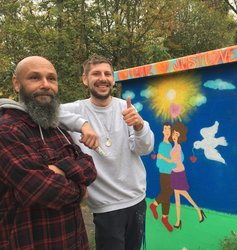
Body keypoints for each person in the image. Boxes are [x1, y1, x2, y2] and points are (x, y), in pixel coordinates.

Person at [0, 56, 97, 249]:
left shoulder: (56, 127)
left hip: (74, 240)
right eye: (35, 78)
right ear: (17, 83)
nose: (45, 84)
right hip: (30, 242)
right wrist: (81, 189)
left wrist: (57, 169)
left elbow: (90, 168)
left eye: (51, 78)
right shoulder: (8, 131)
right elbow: (44, 191)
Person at [60, 54, 155, 250]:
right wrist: (82, 124)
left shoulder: (125, 108)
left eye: (107, 74)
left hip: (136, 200)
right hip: (106, 207)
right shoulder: (75, 109)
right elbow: (43, 111)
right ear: (85, 80)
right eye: (96, 74)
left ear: (113, 79)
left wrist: (139, 126)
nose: (102, 78)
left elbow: (144, 149)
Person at [158, 122, 205, 229]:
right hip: (174, 173)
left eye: (177, 134)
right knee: (178, 197)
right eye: (174, 133)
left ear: (180, 136)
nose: (174, 136)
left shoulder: (177, 147)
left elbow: (172, 161)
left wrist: (161, 157)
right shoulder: (173, 146)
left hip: (179, 173)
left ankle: (197, 210)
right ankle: (179, 220)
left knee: (183, 194)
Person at [149, 122, 176, 232]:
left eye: (169, 129)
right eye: (165, 129)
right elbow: (159, 162)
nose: (167, 131)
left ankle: (165, 218)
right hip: (164, 173)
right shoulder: (162, 145)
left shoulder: (170, 145)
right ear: (163, 131)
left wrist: (172, 164)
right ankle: (154, 205)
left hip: (170, 172)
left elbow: (172, 161)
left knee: (167, 195)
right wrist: (168, 161)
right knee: (168, 192)